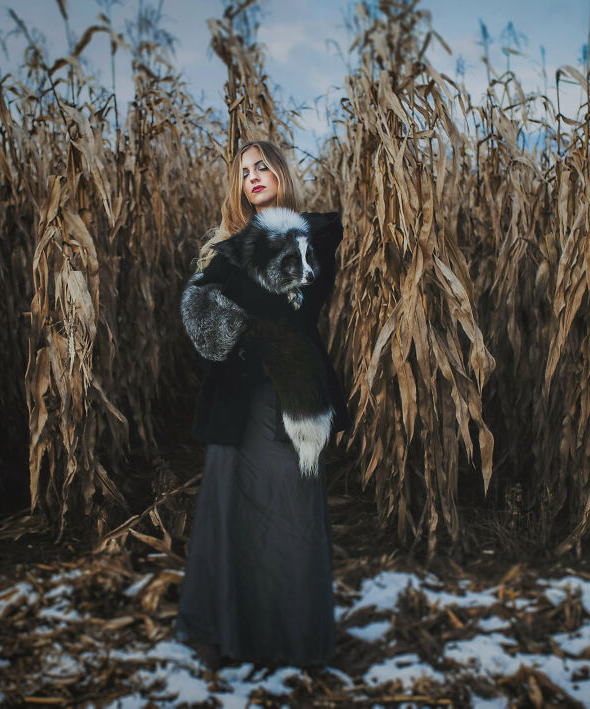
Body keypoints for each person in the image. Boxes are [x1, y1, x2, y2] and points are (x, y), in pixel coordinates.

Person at [176, 140, 350, 671]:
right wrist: (219, 294)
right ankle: (226, 635)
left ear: (280, 171)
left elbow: (293, 304)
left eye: (262, 166)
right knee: (230, 511)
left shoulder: (314, 233)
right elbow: (202, 318)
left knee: (289, 515)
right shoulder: (230, 246)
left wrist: (228, 286)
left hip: (289, 397)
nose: (252, 175)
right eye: (244, 171)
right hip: (236, 398)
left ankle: (291, 641)